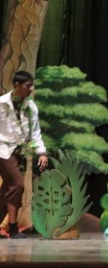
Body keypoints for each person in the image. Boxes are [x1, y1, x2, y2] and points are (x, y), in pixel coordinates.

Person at [0, 71, 48, 239]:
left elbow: (35, 133)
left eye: (32, 85)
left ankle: (10, 227)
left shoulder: (30, 107)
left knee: (8, 189)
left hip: (19, 152)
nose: (31, 89)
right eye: (28, 86)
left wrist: (42, 152)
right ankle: (13, 228)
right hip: (2, 150)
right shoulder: (2, 104)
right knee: (17, 184)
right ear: (17, 85)